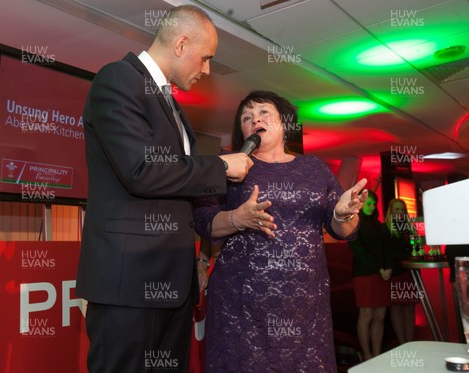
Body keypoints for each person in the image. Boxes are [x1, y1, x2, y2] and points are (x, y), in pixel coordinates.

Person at [75, 5, 253, 373]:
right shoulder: (117, 78)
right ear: (181, 43)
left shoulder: (169, 102)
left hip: (173, 287)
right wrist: (220, 165)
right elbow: (141, 170)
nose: (206, 70)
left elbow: (176, 185)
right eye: (205, 59)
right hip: (129, 284)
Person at [194, 90, 367, 372]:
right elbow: (204, 220)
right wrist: (239, 217)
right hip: (240, 306)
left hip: (305, 307)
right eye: (246, 118)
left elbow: (343, 230)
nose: (254, 120)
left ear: (285, 123)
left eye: (263, 113)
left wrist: (341, 213)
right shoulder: (230, 164)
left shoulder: (315, 168)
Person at [348, 190, 391, 360]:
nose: (372, 207)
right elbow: (359, 251)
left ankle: (377, 354)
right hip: (364, 274)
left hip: (382, 275)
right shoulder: (354, 223)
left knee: (380, 316)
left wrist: (388, 268)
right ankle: (366, 355)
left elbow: (386, 248)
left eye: (374, 204)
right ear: (361, 204)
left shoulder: (379, 225)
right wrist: (379, 268)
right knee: (366, 316)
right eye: (368, 204)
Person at [383, 198, 419, 344]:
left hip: (410, 272)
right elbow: (387, 252)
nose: (400, 212)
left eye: (402, 210)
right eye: (397, 209)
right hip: (396, 273)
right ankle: (402, 343)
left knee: (410, 307)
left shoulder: (409, 227)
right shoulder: (386, 228)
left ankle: (409, 342)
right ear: (391, 211)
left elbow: (415, 248)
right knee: (397, 307)